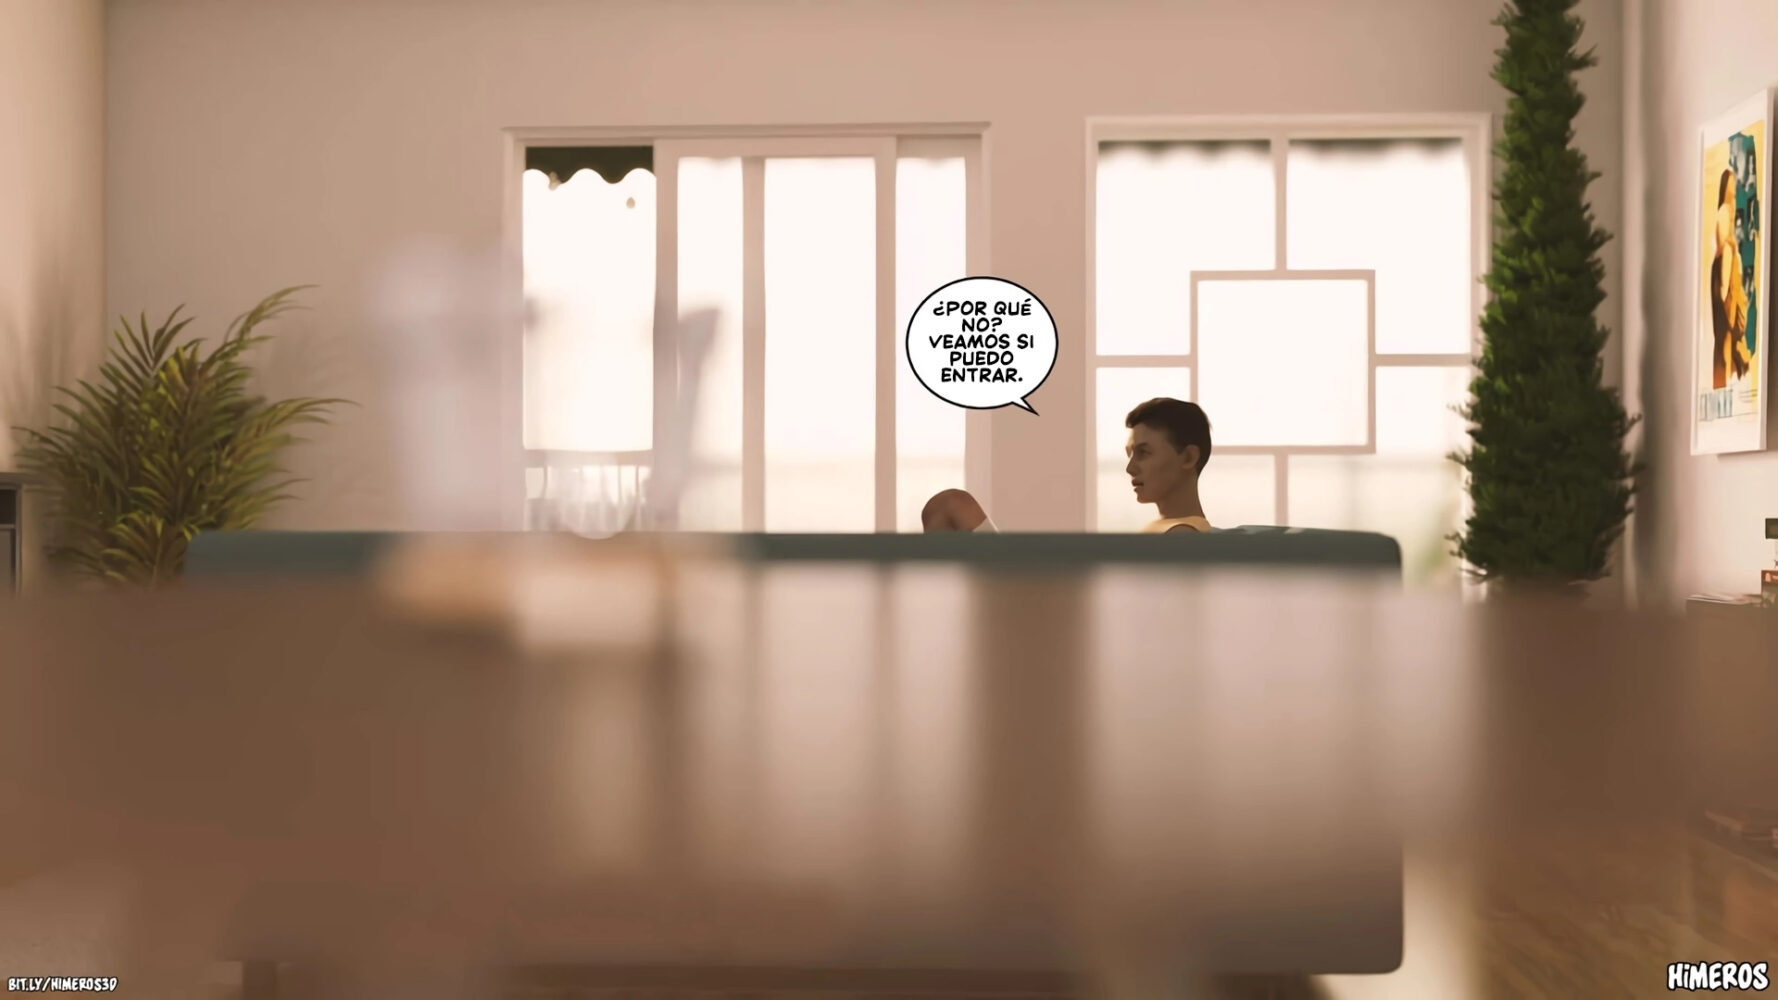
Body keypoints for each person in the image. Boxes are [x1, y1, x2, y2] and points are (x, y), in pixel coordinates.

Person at [921, 397, 1213, 534]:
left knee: (951, 505)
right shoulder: (1166, 529)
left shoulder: (1184, 535)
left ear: (1188, 458)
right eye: (1129, 455)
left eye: (1144, 453)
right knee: (948, 506)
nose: (1130, 469)